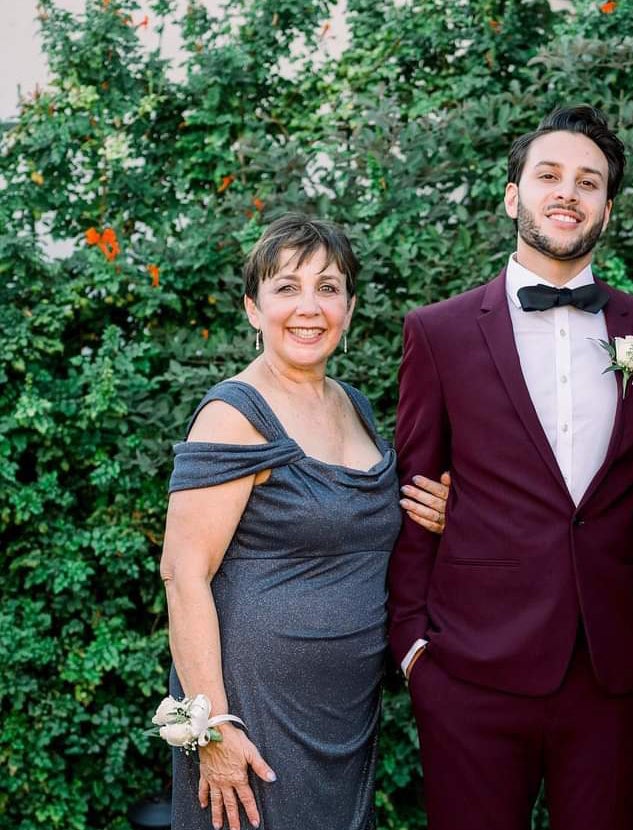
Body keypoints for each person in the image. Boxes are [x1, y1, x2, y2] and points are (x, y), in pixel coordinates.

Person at [388, 105, 633, 830]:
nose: (567, 193)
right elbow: (413, 497)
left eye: (588, 182)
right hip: (471, 671)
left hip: (611, 674)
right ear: (514, 194)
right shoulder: (439, 333)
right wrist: (414, 649)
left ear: (608, 207)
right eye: (549, 175)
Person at [160, 214, 437, 830]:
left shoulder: (354, 405)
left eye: (328, 287)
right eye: (286, 287)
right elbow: (183, 573)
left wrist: (445, 515)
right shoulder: (235, 414)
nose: (309, 307)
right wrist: (213, 727)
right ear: (253, 310)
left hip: (345, 711)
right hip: (255, 711)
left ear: (350, 306)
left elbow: (368, 528)